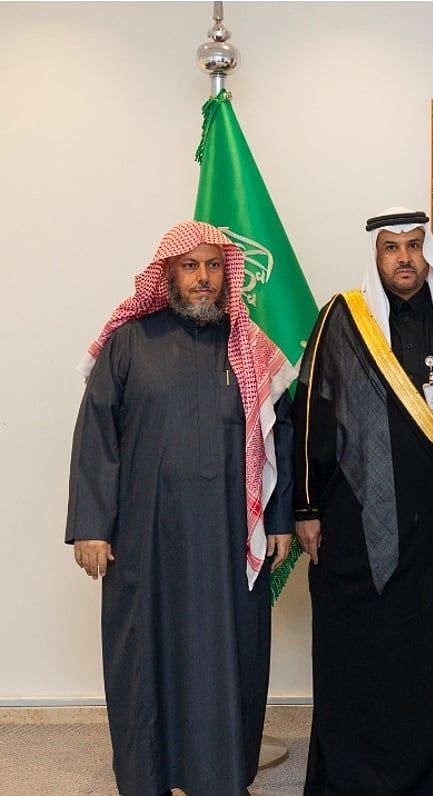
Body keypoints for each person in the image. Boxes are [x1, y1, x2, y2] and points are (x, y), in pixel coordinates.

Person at [66, 221, 295, 795]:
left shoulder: (250, 349)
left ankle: (221, 775)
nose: (203, 278)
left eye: (213, 266)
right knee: (145, 655)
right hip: (145, 537)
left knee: (230, 654)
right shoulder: (128, 343)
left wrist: (280, 520)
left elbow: (280, 438)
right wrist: (92, 527)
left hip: (229, 538)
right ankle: (148, 775)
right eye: (190, 266)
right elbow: (96, 436)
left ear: (227, 274)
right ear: (168, 272)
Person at [294, 207, 433, 795]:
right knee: (362, 651)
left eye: (414, 245)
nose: (405, 258)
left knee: (432, 651)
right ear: (375, 255)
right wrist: (306, 507)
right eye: (391, 248)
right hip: (357, 520)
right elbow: (310, 413)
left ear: (428, 252)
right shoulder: (344, 317)